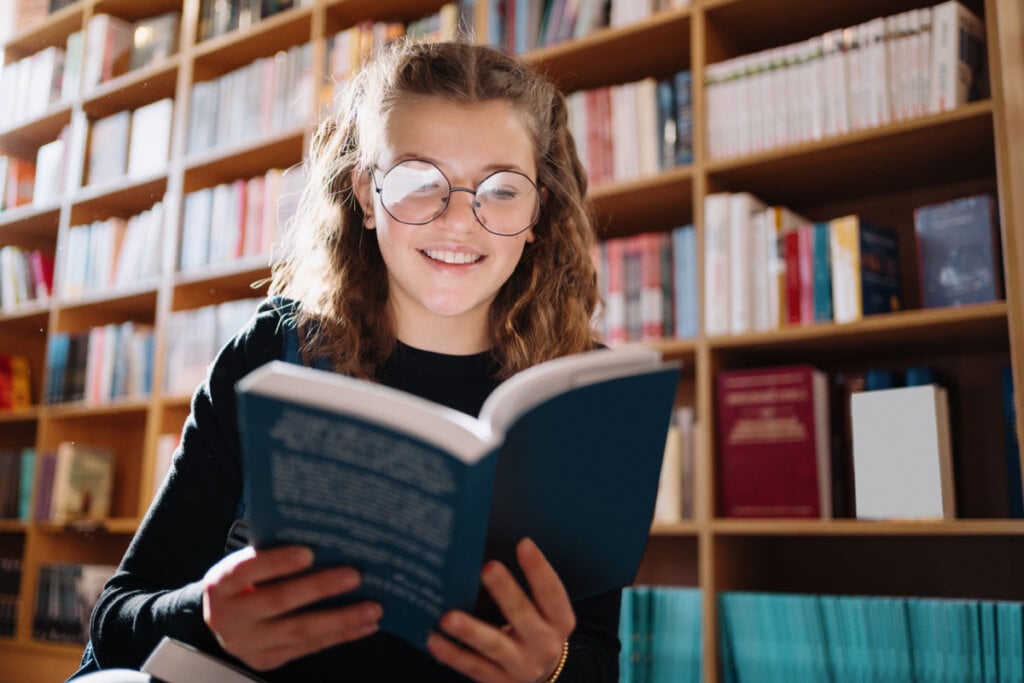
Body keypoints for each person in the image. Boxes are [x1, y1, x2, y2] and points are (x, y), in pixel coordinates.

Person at [73, 39, 619, 682]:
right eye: (420, 181)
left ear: (537, 212)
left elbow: (594, 660)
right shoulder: (271, 352)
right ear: (365, 193)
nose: (458, 222)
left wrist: (548, 667)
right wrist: (206, 616)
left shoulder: (581, 397)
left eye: (500, 190)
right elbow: (116, 621)